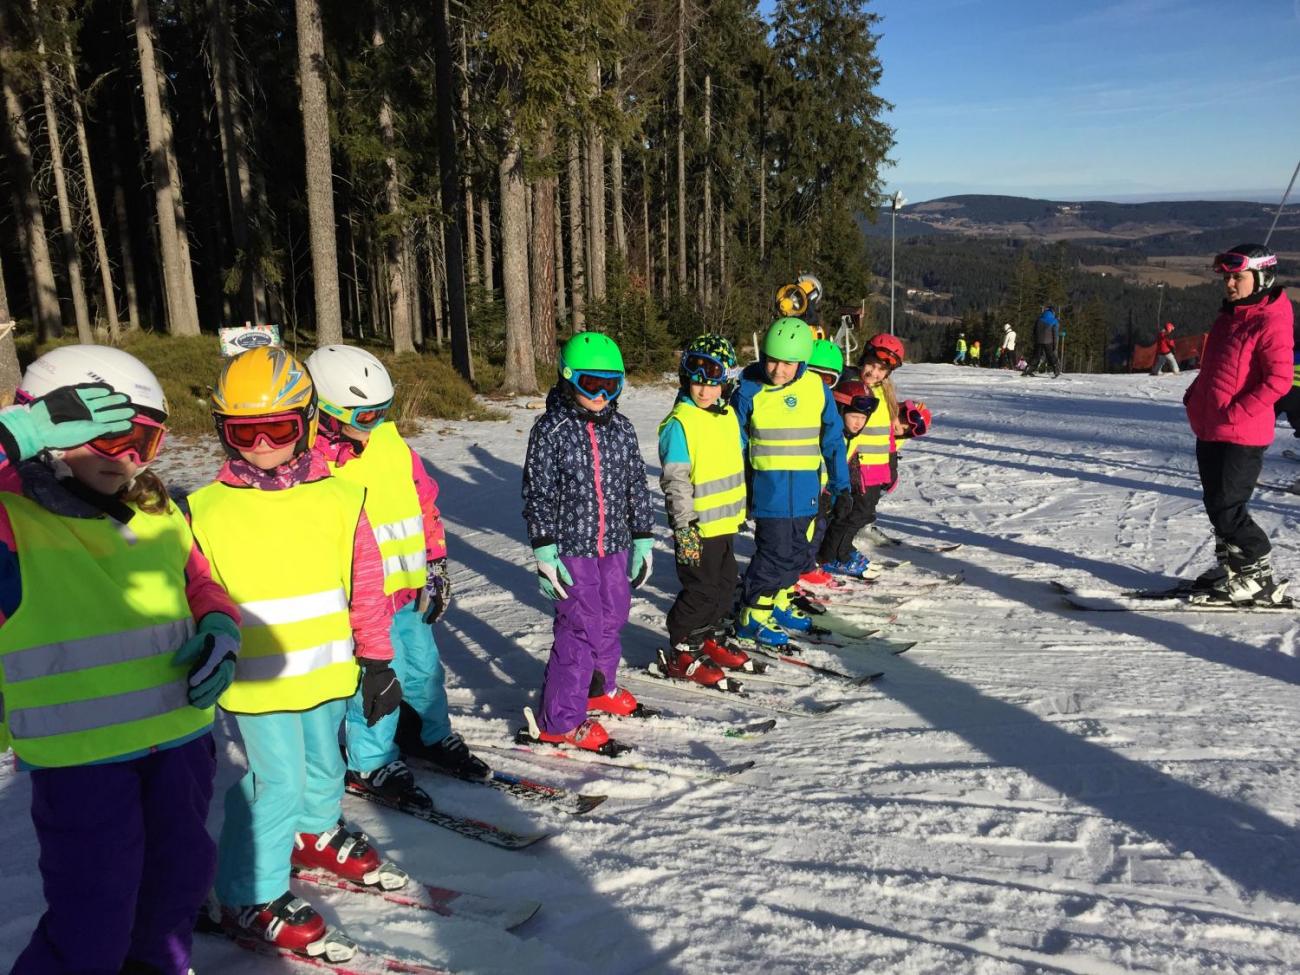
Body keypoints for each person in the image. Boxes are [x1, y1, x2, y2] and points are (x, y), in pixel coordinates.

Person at [0, 346, 239, 975]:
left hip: (181, 743)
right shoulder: (12, 518)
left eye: (144, 440)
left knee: (179, 886)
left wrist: (220, 624)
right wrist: (10, 436)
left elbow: (201, 583)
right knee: (95, 918)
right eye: (106, 436)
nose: (129, 456)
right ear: (47, 433)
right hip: (82, 762)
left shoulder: (159, 511)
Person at [191, 347, 406, 958]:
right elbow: (193, 596)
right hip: (258, 686)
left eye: (277, 428)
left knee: (324, 768)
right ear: (223, 432)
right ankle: (248, 892)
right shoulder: (206, 511)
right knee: (273, 784)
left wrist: (378, 658)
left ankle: (313, 833)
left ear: (307, 422)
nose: (261, 444)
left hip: (329, 674)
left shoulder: (339, 499)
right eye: (243, 431)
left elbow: (366, 586)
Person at [306, 345, 488, 813]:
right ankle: (371, 759)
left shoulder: (390, 444)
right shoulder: (314, 464)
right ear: (324, 410)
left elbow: (424, 503)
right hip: (364, 601)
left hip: (407, 589)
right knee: (375, 681)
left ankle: (428, 735)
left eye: (382, 412)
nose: (375, 424)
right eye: (364, 415)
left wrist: (436, 562)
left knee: (424, 670)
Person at [522, 332, 655, 751]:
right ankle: (559, 719)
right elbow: (537, 492)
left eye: (610, 385)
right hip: (571, 550)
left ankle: (598, 689)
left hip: (614, 545)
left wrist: (644, 539)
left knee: (612, 617)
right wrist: (544, 550)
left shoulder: (623, 429)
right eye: (589, 384)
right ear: (568, 380)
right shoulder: (552, 430)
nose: (600, 395)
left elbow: (636, 485)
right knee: (579, 627)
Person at [1184, 243, 1292, 605]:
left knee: (1229, 508)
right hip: (1211, 426)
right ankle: (1231, 565)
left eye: (1238, 278)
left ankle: (1256, 575)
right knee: (1217, 504)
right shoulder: (1231, 316)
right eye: (1228, 278)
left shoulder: (1270, 320)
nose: (1230, 284)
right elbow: (1216, 367)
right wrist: (1195, 393)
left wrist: (1237, 412)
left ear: (1261, 278)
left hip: (1241, 433)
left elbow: (1278, 380)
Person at [730, 318, 849, 646]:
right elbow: (732, 441)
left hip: (808, 492)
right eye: (772, 359)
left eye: (787, 363)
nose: (777, 370)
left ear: (802, 363)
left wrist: (841, 484)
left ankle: (778, 601)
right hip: (770, 493)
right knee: (774, 556)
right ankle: (751, 615)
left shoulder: (816, 389)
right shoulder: (751, 391)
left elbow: (833, 440)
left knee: (798, 555)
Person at [657, 334, 754, 685]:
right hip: (697, 528)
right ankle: (683, 647)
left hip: (725, 524)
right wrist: (684, 526)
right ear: (687, 378)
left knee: (726, 584)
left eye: (713, 384)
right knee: (700, 591)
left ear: (724, 384)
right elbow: (676, 481)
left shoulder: (726, 417)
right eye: (697, 382)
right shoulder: (680, 424)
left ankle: (706, 636)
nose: (704, 391)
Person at [848, 334, 918, 550]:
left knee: (868, 506)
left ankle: (863, 529)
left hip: (878, 464)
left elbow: (886, 430)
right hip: (857, 463)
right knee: (853, 510)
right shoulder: (852, 387)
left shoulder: (883, 390)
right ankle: (841, 546)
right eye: (871, 364)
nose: (873, 372)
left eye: (881, 369)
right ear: (863, 359)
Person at [799, 338, 847, 587]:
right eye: (812, 374)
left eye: (826, 379)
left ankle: (805, 566)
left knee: (816, 527)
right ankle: (790, 572)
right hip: (796, 480)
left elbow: (835, 444)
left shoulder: (828, 407)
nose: (817, 384)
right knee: (793, 533)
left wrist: (841, 484)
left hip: (822, 481)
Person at [1022, 306, 1062, 377]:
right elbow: (1055, 334)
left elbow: (1034, 331)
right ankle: (1056, 370)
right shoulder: (1054, 321)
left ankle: (1028, 370)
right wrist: (1054, 345)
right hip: (1048, 342)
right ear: (1053, 312)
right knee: (1051, 356)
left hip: (1038, 341)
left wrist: (1035, 340)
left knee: (1036, 356)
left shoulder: (1039, 319)